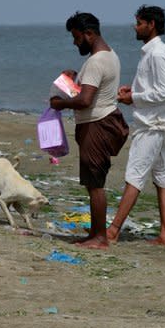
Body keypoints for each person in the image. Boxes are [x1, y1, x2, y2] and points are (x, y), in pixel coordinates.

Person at [106, 5, 165, 247]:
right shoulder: (158, 52)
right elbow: (159, 88)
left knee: (135, 175)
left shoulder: (158, 53)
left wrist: (134, 98)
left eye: (139, 23)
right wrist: (134, 91)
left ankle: (113, 230)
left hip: (156, 125)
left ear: (151, 24)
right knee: (162, 177)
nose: (135, 27)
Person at [50, 12, 129, 249]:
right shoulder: (109, 55)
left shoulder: (96, 61)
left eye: (76, 37)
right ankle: (95, 232)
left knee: (95, 183)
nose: (75, 43)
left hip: (97, 124)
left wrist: (59, 104)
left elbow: (85, 101)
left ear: (89, 34)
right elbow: (91, 93)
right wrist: (73, 80)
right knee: (91, 181)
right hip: (101, 121)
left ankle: (100, 238)